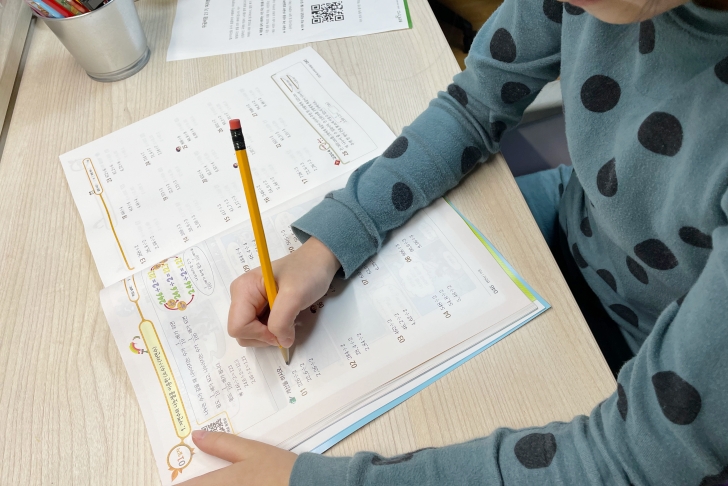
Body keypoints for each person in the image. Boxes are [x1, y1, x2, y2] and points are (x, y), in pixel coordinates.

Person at [180, 0, 728, 483]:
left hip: (656, 360)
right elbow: (474, 104)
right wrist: (329, 242)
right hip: (574, 229)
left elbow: (633, 462)